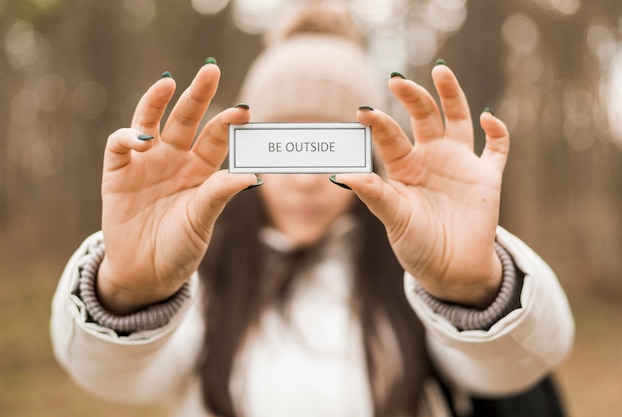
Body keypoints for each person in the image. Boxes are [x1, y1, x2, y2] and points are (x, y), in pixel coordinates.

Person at [50, 3, 574, 417]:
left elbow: (520, 366)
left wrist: (471, 289)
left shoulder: (411, 265)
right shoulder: (204, 264)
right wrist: (128, 293)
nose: (304, 179)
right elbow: (112, 378)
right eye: (282, 148)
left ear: (368, 151)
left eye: (327, 148)